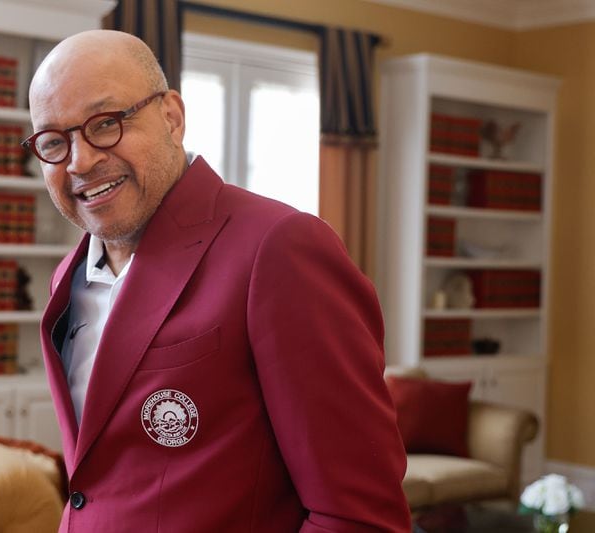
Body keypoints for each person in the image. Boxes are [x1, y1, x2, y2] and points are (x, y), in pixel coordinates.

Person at [25, 29, 411, 532]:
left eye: (106, 123)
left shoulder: (279, 249)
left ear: (172, 117)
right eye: (54, 141)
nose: (80, 160)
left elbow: (358, 515)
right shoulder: (68, 277)